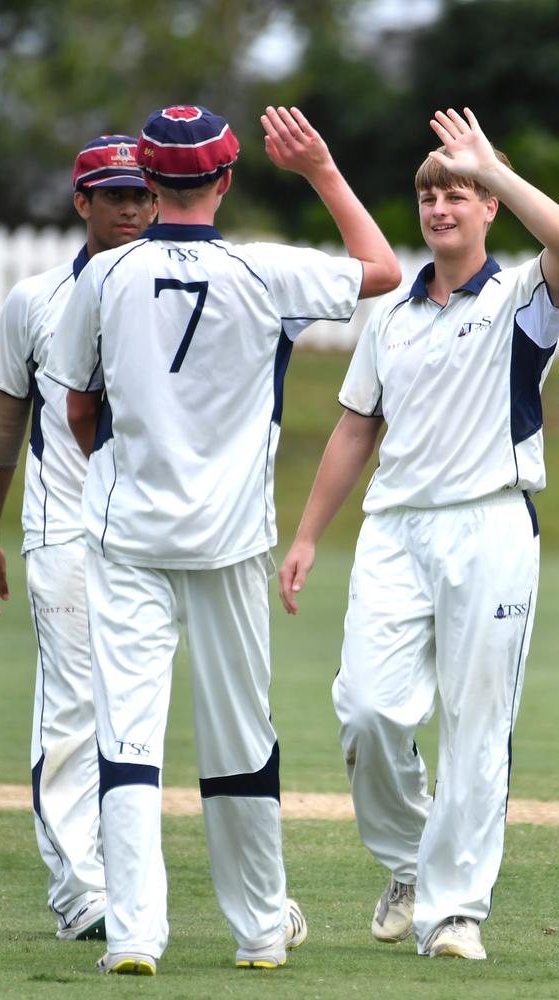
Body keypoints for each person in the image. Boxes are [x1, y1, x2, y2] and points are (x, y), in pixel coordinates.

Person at [43, 103, 400, 976]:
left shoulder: (105, 274)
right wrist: (318, 168)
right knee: (241, 736)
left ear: (150, 180)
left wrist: (128, 478)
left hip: (127, 535)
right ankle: (257, 934)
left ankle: (133, 936)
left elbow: (80, 405)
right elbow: (382, 269)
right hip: (234, 539)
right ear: (227, 179)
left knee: (126, 738)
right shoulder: (266, 269)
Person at [279, 107, 559, 961]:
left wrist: (497, 168)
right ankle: (408, 859)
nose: (441, 207)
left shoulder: (523, 297)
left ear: (489, 211)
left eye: (460, 194)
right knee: (364, 709)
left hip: (491, 523)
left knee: (478, 722)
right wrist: (305, 536)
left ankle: (453, 911)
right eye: (432, 194)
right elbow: (357, 429)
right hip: (395, 529)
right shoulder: (393, 316)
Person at [0, 135, 158, 940]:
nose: (129, 209)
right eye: (113, 195)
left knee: (145, 718)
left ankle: (140, 885)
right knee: (75, 710)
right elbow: (4, 418)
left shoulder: (182, 291)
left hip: (159, 536)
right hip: (65, 530)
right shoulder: (35, 299)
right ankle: (81, 890)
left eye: (141, 194)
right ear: (81, 202)